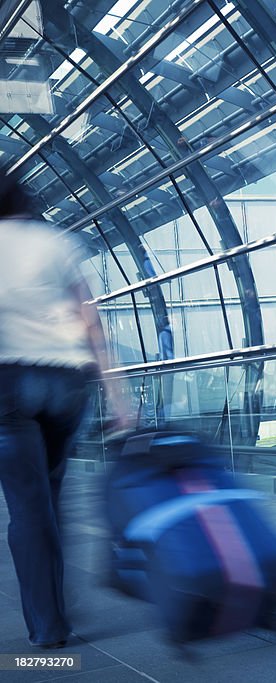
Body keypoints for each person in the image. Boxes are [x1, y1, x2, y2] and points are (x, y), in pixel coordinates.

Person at [0, 174, 116, 648]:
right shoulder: (56, 242)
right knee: (51, 496)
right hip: (66, 382)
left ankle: (49, 625)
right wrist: (119, 394)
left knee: (28, 509)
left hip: (7, 382)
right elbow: (89, 318)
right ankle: (59, 605)